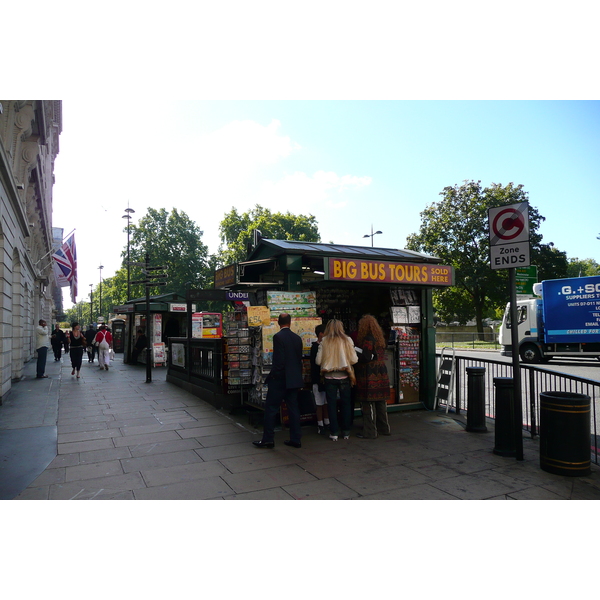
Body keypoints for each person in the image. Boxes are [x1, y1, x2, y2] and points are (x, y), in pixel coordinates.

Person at [253, 313, 304, 449]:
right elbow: (299, 360)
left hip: (280, 379)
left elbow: (279, 360)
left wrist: (273, 376)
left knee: (271, 409)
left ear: (278, 323)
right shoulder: (297, 338)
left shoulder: (278, 337)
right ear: (290, 322)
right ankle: (295, 438)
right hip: (293, 380)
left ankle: (268, 439)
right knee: (293, 409)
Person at [316, 319, 358, 441]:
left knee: (331, 405)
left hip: (329, 377)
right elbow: (354, 360)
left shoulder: (324, 341)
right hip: (345, 376)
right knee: (346, 404)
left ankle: (334, 432)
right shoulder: (347, 340)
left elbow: (318, 361)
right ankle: (346, 432)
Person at [354, 314, 391, 439]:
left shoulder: (368, 339)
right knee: (381, 402)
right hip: (381, 371)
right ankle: (384, 428)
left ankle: (370, 431)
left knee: (367, 403)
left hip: (369, 373)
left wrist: (355, 353)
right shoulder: (379, 338)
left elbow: (366, 357)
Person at [310, 324, 330, 435]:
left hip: (324, 378)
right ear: (321, 334)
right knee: (319, 403)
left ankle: (326, 422)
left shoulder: (323, 346)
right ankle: (320, 423)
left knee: (325, 402)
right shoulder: (316, 347)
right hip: (318, 379)